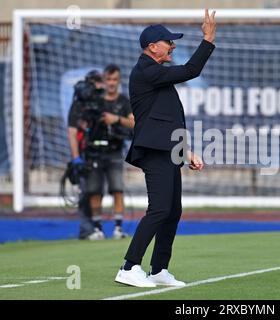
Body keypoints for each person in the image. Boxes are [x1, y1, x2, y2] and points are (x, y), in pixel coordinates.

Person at [114, 9, 216, 288]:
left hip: (167, 150)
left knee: (172, 211)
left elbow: (166, 122)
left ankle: (159, 269)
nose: (173, 45)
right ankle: (128, 266)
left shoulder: (155, 74)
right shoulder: (147, 69)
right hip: (154, 151)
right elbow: (190, 70)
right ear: (152, 47)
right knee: (159, 209)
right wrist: (207, 40)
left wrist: (186, 151)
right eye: (168, 42)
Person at [67, 65, 135, 240]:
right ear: (103, 81)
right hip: (93, 150)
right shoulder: (93, 101)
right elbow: (76, 126)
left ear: (119, 81)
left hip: (114, 150)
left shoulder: (123, 101)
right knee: (94, 191)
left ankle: (118, 229)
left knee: (117, 189)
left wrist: (116, 119)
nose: (111, 83)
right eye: (108, 80)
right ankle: (97, 229)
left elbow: (134, 123)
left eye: (115, 80)